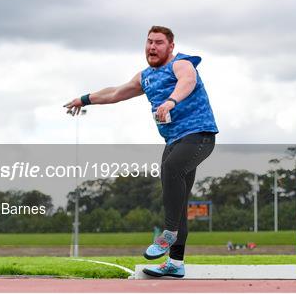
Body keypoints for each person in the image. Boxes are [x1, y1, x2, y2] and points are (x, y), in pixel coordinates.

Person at [64, 25, 218, 278]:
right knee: (177, 201)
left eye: (159, 42)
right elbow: (115, 92)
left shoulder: (181, 64)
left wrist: (171, 101)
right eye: (149, 42)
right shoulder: (146, 76)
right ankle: (176, 263)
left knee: (170, 169)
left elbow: (188, 82)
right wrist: (85, 98)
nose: (152, 47)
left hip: (198, 135)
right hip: (174, 141)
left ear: (170, 46)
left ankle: (168, 234)